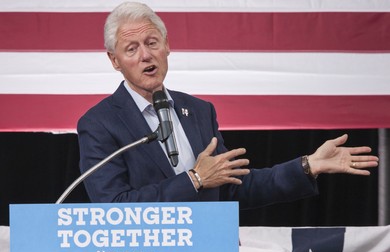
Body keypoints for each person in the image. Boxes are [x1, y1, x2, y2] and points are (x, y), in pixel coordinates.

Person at [77, 2, 379, 208]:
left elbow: (231, 188)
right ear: (115, 61)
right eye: (132, 48)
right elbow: (112, 207)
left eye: (152, 42)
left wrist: (307, 166)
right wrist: (194, 180)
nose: (145, 55)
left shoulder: (198, 111)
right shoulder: (100, 123)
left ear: (167, 45)